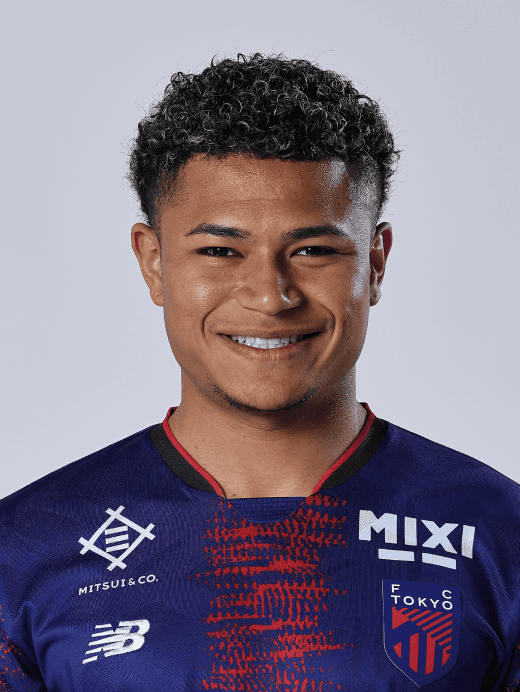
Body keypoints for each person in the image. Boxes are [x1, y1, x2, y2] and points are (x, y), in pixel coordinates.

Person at [0, 53, 518, 692]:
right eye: (220, 250)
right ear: (154, 262)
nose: (271, 296)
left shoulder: (502, 536)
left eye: (314, 250)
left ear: (375, 262)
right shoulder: (22, 550)